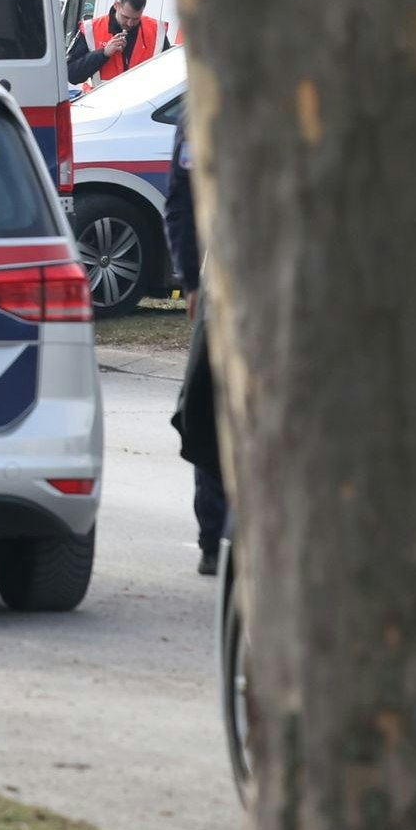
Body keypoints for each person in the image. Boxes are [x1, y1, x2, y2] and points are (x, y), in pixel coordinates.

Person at [165, 115, 226, 575]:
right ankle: (215, 537)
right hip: (224, 287)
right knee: (209, 407)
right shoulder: (202, 116)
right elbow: (184, 203)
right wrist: (190, 279)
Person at [68, 0, 170, 87]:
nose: (130, 23)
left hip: (144, 102)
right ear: (116, 5)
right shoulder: (92, 29)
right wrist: (103, 53)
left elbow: (170, 74)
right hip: (102, 101)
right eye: (125, 17)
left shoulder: (156, 31)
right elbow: (71, 75)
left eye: (136, 19)